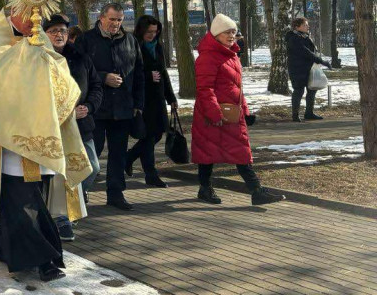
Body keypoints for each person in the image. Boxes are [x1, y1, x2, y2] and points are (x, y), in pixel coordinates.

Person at [0, 8, 91, 282]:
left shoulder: (41, 44)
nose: (30, 19)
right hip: (8, 142)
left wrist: (42, 58)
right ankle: (46, 260)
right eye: (23, 14)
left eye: (34, 14)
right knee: (22, 203)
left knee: (29, 200)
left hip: (41, 137)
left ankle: (8, 250)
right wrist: (23, 56)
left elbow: (62, 81)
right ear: (9, 17)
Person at [193, 15, 286, 207]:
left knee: (241, 151)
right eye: (227, 32)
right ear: (216, 33)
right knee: (207, 152)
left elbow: (237, 87)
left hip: (232, 113)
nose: (231, 36)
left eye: (234, 32)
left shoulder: (232, 55)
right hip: (213, 114)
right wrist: (214, 112)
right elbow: (205, 89)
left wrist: (245, 110)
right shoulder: (208, 57)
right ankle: (206, 188)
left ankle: (256, 191)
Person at [76, 4, 144, 210]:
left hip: (122, 107)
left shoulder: (130, 40)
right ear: (101, 18)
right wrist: (103, 76)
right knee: (91, 155)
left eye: (120, 20)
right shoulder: (86, 40)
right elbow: (77, 71)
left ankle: (115, 193)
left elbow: (138, 72)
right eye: (112, 19)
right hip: (95, 108)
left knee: (118, 154)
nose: (116, 24)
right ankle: (82, 191)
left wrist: (138, 104)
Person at [43, 14, 101, 241]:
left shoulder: (81, 57)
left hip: (81, 126)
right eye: (54, 31)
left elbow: (96, 85)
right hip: (53, 127)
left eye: (64, 31)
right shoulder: (39, 58)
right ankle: (61, 218)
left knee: (92, 167)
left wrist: (89, 106)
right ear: (45, 34)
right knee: (58, 174)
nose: (60, 35)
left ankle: (77, 196)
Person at [126, 15, 177, 188]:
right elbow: (128, 72)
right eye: (149, 32)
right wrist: (148, 76)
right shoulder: (133, 46)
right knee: (148, 137)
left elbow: (163, 73)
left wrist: (171, 98)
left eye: (155, 32)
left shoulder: (158, 47)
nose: (152, 35)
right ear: (141, 30)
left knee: (156, 135)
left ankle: (129, 157)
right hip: (143, 98)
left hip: (158, 98)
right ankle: (151, 174)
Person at [286, 16, 331, 122]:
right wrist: (321, 61)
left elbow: (311, 51)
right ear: (297, 27)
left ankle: (309, 113)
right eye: (305, 25)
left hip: (308, 68)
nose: (308, 26)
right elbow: (306, 52)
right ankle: (295, 115)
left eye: (307, 24)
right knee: (299, 90)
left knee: (312, 89)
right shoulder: (293, 38)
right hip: (297, 69)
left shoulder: (305, 36)